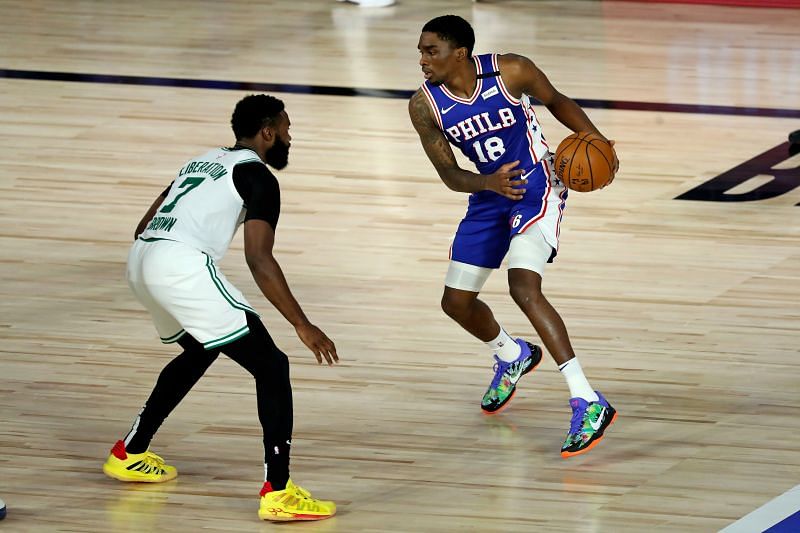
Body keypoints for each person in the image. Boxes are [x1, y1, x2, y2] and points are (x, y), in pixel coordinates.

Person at [102, 94, 338, 521]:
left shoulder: (201, 160)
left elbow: (144, 226)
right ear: (267, 132)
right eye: (286, 128)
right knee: (272, 366)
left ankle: (129, 451)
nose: (289, 135)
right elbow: (258, 258)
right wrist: (303, 324)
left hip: (141, 260)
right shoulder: (260, 178)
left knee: (201, 349)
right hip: (179, 268)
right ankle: (279, 493)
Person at [409, 15, 619, 458]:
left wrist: (595, 140)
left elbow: (558, 101)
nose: (422, 59)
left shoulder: (511, 70)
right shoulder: (424, 106)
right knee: (455, 303)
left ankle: (586, 398)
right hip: (489, 196)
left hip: (539, 187)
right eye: (421, 51)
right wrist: (487, 185)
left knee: (523, 286)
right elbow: (449, 174)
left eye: (431, 51)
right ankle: (512, 354)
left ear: (459, 53)